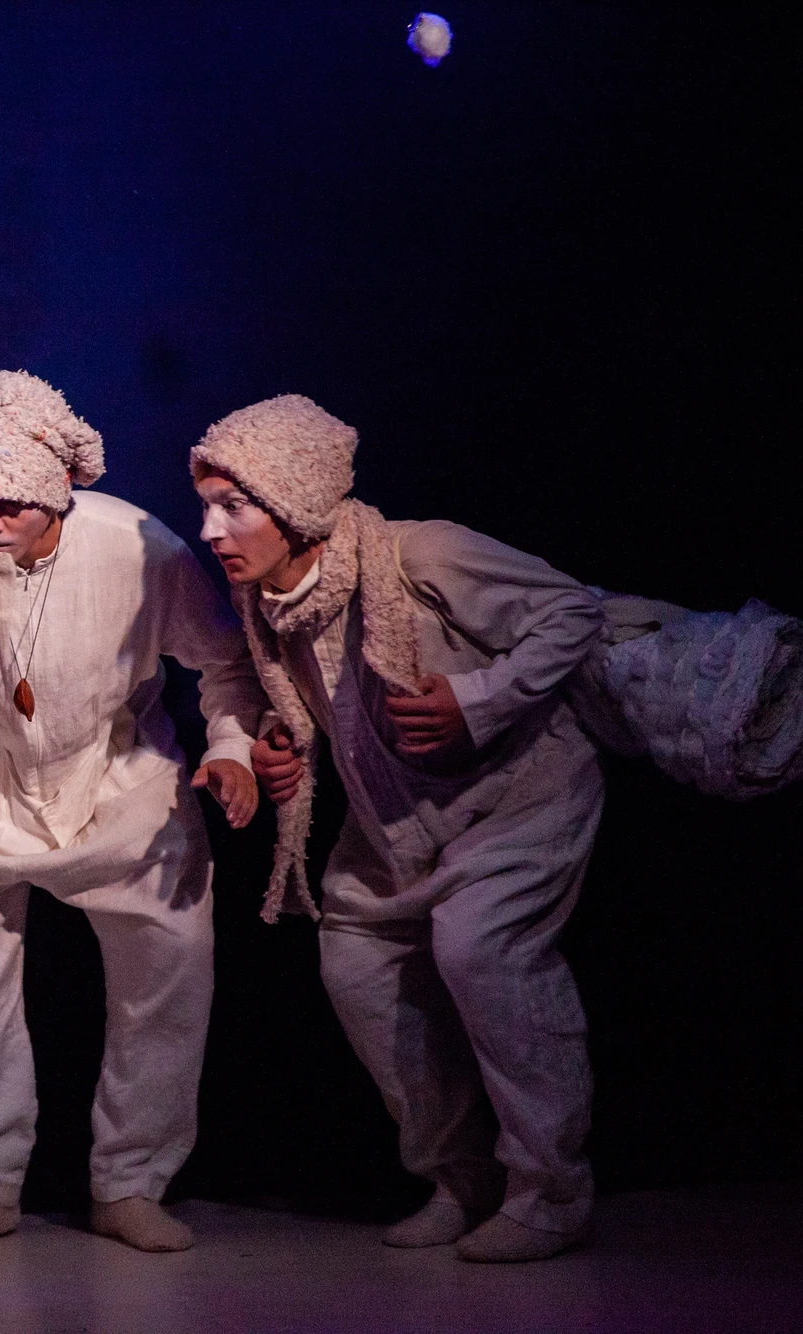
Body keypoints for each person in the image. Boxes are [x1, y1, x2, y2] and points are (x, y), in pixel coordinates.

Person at [192, 393, 604, 1263]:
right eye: (207, 507)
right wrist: (272, 740)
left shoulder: (419, 553)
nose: (210, 530)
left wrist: (478, 700)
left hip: (513, 801)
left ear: (297, 501)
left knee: (481, 949)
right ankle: (463, 1180)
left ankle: (552, 1191)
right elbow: (286, 693)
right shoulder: (266, 599)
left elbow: (571, 611)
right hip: (392, 822)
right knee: (355, 959)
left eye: (233, 506)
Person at [0, 370, 265, 1255]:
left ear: (58, 487)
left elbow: (225, 663)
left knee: (171, 953)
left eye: (7, 503)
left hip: (118, 776)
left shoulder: (141, 548)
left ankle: (131, 1179)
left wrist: (231, 747)